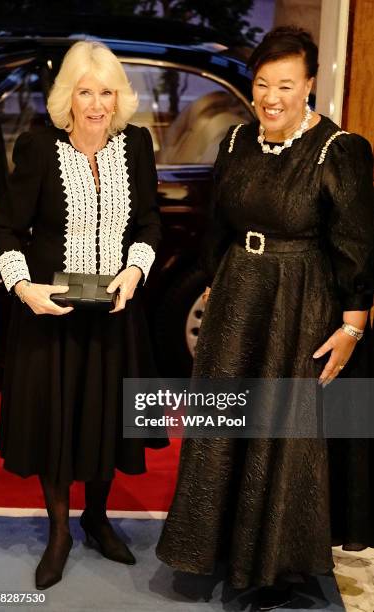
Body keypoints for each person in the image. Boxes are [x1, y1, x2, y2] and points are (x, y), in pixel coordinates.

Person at [156, 26, 374, 610]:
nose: (271, 97)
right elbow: (216, 231)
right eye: (261, 84)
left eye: (285, 84)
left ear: (309, 86)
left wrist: (353, 327)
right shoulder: (234, 142)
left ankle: (273, 568)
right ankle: (218, 548)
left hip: (300, 303)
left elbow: (356, 246)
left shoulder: (339, 150)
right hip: (236, 299)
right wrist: (219, 289)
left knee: (281, 434)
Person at [0, 40, 166, 590]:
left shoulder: (136, 145)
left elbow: (150, 223)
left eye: (106, 92)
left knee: (106, 418)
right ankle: (61, 531)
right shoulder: (39, 147)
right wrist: (24, 287)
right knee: (58, 422)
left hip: (115, 312)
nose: (96, 104)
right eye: (86, 92)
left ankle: (97, 515)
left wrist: (134, 272)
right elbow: (5, 229)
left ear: (119, 98)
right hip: (52, 317)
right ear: (69, 96)